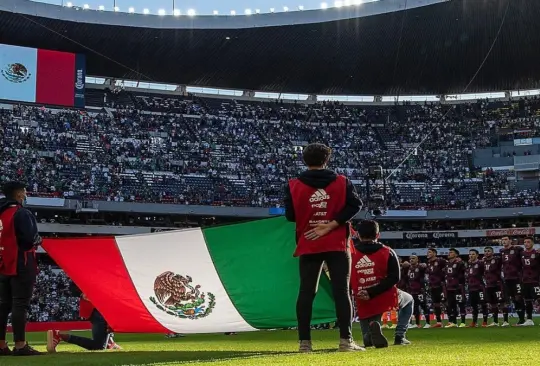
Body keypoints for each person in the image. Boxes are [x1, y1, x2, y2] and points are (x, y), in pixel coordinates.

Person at [283, 143, 363, 353]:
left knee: (307, 292)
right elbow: (356, 205)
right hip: (336, 242)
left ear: (304, 160)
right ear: (326, 160)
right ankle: (345, 341)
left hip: (309, 241)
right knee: (341, 291)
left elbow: (290, 216)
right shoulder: (342, 181)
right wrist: (331, 224)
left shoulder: (293, 185)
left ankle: (304, 343)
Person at [351, 220, 410, 348]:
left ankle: (368, 335)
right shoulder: (387, 251)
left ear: (358, 235)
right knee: (409, 300)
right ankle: (400, 336)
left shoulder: (351, 253)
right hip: (384, 295)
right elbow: (395, 277)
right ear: (378, 235)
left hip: (361, 298)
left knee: (368, 328)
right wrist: (371, 292)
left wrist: (360, 291)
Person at [0, 181, 42, 356]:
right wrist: (38, 240)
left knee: (2, 305)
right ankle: (20, 345)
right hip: (20, 262)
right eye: (24, 192)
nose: (25, 195)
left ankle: (1, 345)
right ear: (18, 194)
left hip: (2, 262)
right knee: (20, 304)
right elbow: (29, 239)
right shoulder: (21, 213)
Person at [47, 286, 120, 352]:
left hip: (97, 306)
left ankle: (109, 342)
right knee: (99, 346)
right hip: (97, 307)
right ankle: (60, 335)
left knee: (104, 332)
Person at [500, 236, 525, 326]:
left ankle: (524, 319)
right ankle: (521, 320)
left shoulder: (518, 249)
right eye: (502, 240)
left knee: (519, 298)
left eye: (506, 239)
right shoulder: (501, 251)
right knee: (513, 299)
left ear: (510, 241)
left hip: (517, 278)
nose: (504, 241)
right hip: (507, 279)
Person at [404, 255, 430, 329]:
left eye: (413, 258)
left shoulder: (420, 267)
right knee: (415, 308)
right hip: (412, 291)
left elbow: (425, 267)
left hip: (420, 291)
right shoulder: (409, 268)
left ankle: (428, 323)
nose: (411, 260)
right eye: (410, 259)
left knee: (424, 306)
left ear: (417, 259)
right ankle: (417, 323)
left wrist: (424, 264)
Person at [482, 245, 504, 327]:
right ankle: (495, 321)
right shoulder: (482, 262)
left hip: (497, 284)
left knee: (502, 302)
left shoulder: (497, 259)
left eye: (489, 251)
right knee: (493, 304)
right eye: (485, 251)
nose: (487, 253)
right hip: (488, 285)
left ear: (492, 252)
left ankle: (506, 321)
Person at [444, 248, 466, 328]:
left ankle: (463, 322)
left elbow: (463, 272)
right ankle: (454, 322)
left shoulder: (459, 263)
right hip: (449, 287)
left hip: (458, 287)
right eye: (449, 252)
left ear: (456, 254)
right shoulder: (447, 264)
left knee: (461, 303)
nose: (449, 253)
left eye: (451, 252)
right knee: (451, 305)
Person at [519, 237, 539, 326]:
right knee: (527, 300)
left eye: (528, 242)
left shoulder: (537, 253)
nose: (526, 243)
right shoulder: (521, 253)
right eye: (525, 242)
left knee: (539, 299)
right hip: (525, 280)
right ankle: (529, 320)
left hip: (536, 280)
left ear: (532, 243)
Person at [467, 249, 488, 327]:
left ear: (477, 255)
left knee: (483, 304)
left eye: (473, 254)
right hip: (471, 288)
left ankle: (485, 321)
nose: (471, 255)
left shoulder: (480, 263)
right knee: (473, 305)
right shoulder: (469, 264)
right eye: (470, 254)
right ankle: (474, 322)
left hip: (480, 287)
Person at [426, 248, 446, 328]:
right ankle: (439, 322)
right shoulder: (429, 263)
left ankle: (452, 321)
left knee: (446, 302)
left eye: (429, 252)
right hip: (432, 286)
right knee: (436, 304)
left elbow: (448, 267)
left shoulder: (440, 261)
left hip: (441, 285)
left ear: (434, 253)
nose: (428, 254)